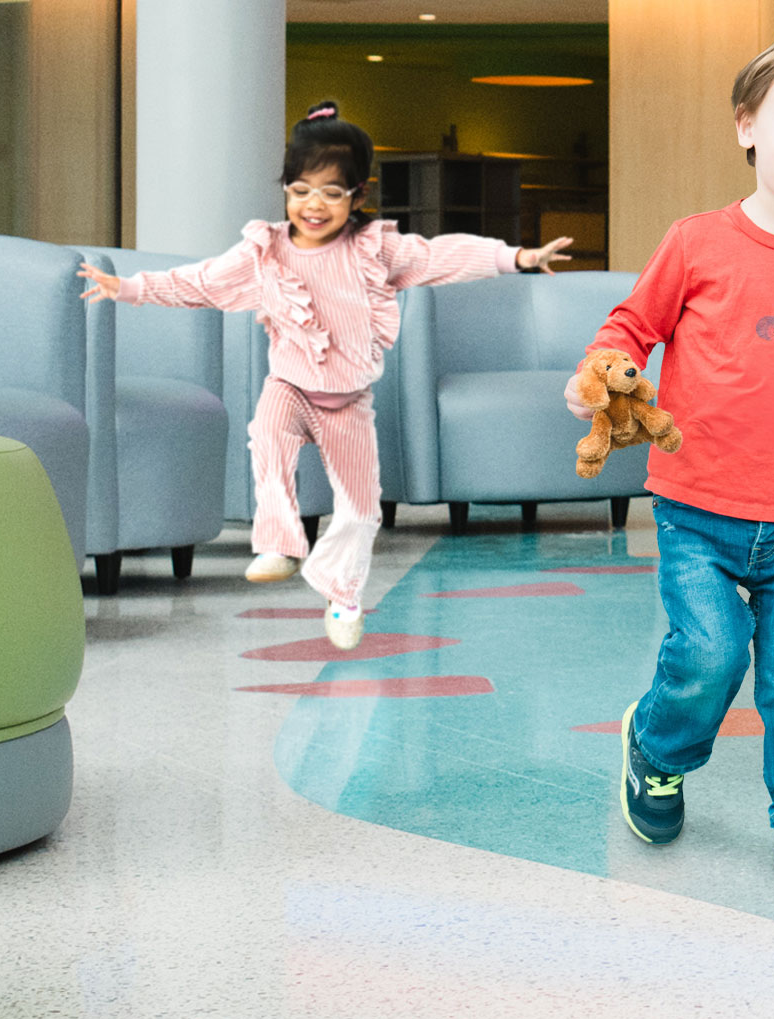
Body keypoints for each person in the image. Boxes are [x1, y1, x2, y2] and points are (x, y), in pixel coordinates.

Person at [78, 100, 570, 650]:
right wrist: (130, 288)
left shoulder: (374, 250)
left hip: (349, 400)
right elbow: (203, 282)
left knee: (361, 509)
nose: (314, 205)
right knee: (266, 436)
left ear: (359, 194)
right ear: (285, 189)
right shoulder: (265, 252)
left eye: (332, 193)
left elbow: (442, 256)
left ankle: (343, 597)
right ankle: (279, 542)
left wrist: (517, 258)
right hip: (289, 385)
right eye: (300, 190)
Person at [581, 31, 774, 886]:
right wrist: (608, 369)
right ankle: (656, 748)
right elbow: (630, 326)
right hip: (697, 507)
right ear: (747, 127)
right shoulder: (696, 242)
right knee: (708, 656)